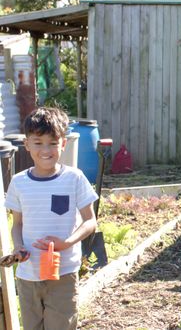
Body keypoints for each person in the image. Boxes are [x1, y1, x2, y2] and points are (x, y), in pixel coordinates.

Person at [6, 107, 98, 330]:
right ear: (26, 145)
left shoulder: (74, 178)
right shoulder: (18, 183)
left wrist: (65, 243)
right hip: (28, 276)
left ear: (63, 144)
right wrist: (19, 247)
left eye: (53, 142)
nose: (45, 149)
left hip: (63, 273)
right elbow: (17, 224)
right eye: (38, 142)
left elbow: (90, 221)